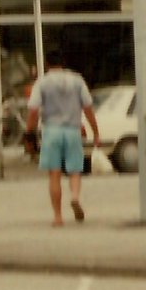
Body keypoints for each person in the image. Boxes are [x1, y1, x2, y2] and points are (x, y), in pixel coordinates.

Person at [25, 48, 100, 227]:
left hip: (51, 131)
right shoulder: (77, 80)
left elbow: (33, 110)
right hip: (73, 130)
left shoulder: (42, 83)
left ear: (47, 64)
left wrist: (29, 133)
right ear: (63, 63)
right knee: (75, 170)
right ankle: (74, 197)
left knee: (54, 174)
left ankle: (58, 217)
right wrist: (95, 131)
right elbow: (88, 108)